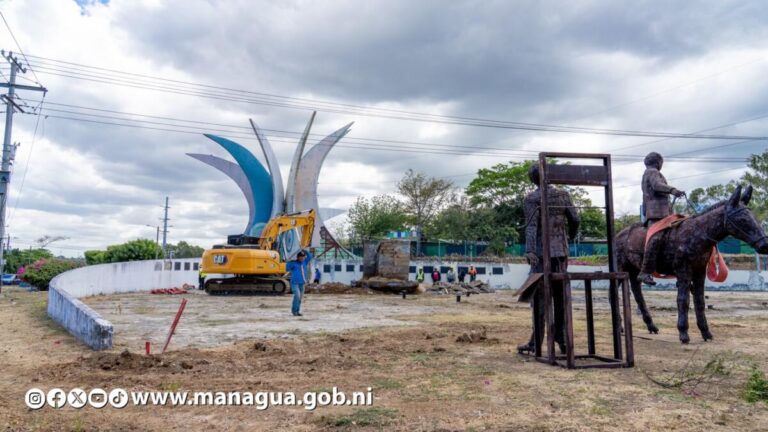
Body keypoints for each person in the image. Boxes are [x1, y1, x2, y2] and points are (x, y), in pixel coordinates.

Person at [518, 164, 580, 355]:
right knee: (560, 297)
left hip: (540, 254)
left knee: (539, 299)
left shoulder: (531, 198)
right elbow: (575, 219)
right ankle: (560, 338)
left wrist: (529, 251)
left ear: (532, 179)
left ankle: (537, 341)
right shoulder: (563, 195)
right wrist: (570, 236)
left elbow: (530, 227)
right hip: (560, 252)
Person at [638, 152, 685, 286]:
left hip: (662, 213)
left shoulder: (648, 173)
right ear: (658, 162)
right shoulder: (652, 172)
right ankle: (645, 271)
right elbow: (657, 185)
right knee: (656, 239)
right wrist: (672, 190)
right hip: (657, 214)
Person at [286, 250, 312, 316]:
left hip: (302, 283)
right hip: (294, 283)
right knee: (297, 296)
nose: (302, 258)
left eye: (303, 257)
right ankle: (294, 311)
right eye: (300, 257)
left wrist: (304, 250)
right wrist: (289, 260)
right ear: (297, 257)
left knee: (300, 298)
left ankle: (297, 311)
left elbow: (310, 256)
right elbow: (287, 267)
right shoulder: (294, 263)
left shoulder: (305, 262)